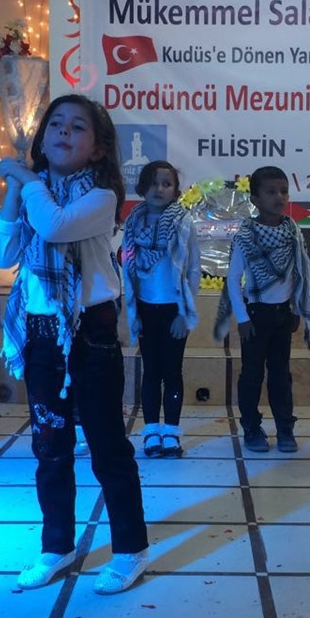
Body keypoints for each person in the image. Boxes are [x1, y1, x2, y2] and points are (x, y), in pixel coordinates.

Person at [0, 93, 149, 594]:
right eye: (56, 123)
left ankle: (131, 548)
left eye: (78, 127)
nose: (63, 131)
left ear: (98, 148)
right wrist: (15, 189)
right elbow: (2, 252)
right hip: (40, 331)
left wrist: (26, 179)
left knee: (106, 445)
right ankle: (56, 545)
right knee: (50, 445)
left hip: (89, 331)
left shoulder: (99, 198)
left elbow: (54, 226)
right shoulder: (35, 192)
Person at [214, 165, 310, 454]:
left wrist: (297, 310)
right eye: (271, 192)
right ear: (255, 199)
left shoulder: (292, 230)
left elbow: (300, 273)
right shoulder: (245, 235)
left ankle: (285, 429)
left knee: (281, 375)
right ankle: (252, 428)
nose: (279, 197)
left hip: (283, 314)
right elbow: (233, 279)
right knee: (252, 375)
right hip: (255, 315)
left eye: (283, 191)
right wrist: (242, 318)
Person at [122, 160, 201, 458]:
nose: (159, 189)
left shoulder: (183, 222)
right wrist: (134, 313)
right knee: (151, 371)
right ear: (142, 188)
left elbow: (193, 269)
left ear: (176, 191)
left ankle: (171, 433)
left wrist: (184, 313)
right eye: (153, 183)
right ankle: (152, 431)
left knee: (172, 371)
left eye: (166, 184)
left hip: (173, 312)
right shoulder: (134, 222)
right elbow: (128, 266)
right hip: (145, 309)